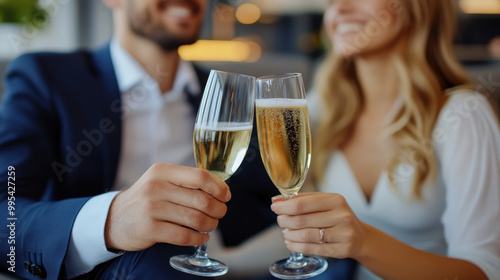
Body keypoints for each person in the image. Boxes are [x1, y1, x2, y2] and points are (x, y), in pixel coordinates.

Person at [0, 0, 280, 279]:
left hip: (220, 268)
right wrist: (109, 222)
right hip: (117, 271)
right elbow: (5, 209)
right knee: (160, 257)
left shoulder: (231, 99)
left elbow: (269, 205)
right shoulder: (46, 78)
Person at [270, 0, 500, 279]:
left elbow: (485, 271)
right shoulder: (322, 110)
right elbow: (297, 229)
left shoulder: (463, 116)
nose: (340, 8)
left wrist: (363, 242)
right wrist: (226, 257)